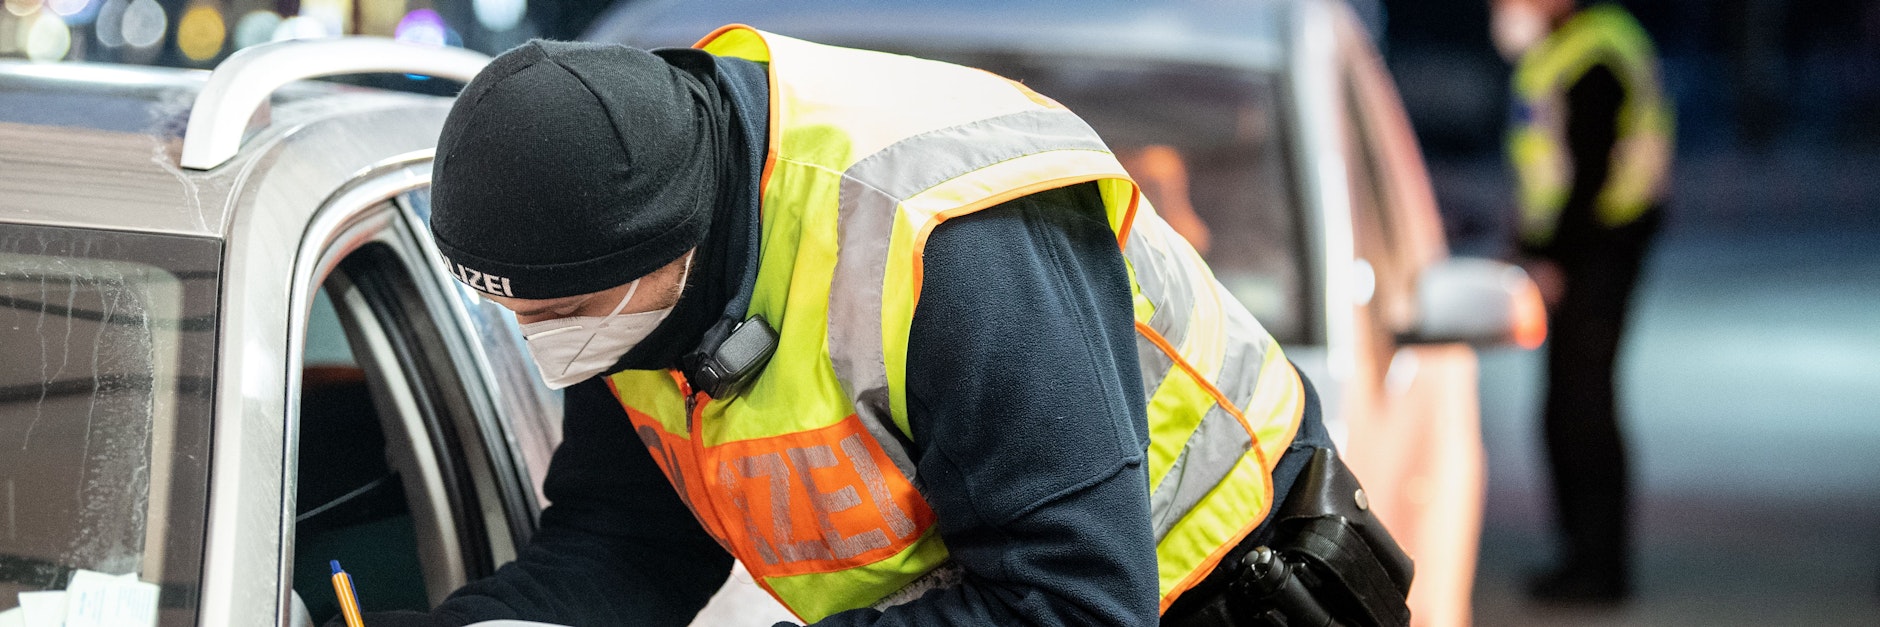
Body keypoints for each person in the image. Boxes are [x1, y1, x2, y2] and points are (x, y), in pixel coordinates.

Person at [352, 26, 1388, 626]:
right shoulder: (629, 279)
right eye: (515, 314)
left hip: (1222, 600)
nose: (548, 344)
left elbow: (1075, 602)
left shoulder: (940, 229)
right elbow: (627, 545)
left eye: (565, 314)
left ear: (683, 243)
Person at [1492, 0, 1673, 604]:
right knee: (1568, 411)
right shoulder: (1567, 48)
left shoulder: (1598, 51)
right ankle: (1580, 559)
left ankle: (1599, 570)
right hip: (1581, 254)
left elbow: (1592, 172)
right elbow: (1548, 169)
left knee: (1584, 414)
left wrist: (1555, 258)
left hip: (1599, 256)